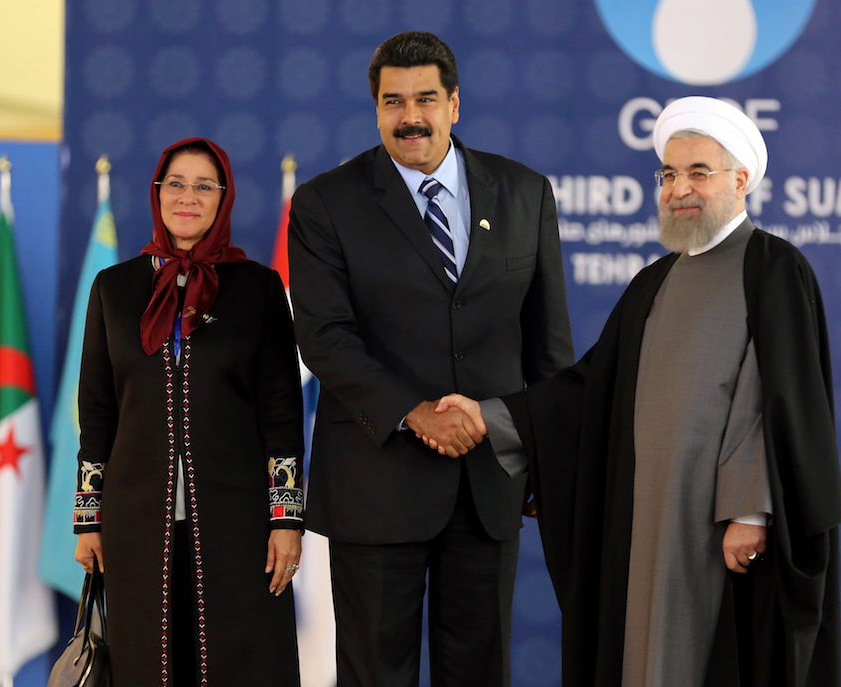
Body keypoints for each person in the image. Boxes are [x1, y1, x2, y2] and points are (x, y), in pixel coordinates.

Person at [430, 97, 841, 686]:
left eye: (699, 173)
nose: (680, 189)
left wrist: (750, 511)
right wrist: (492, 416)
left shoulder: (773, 268)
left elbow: (772, 401)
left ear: (741, 180)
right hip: (643, 516)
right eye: (669, 174)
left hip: (718, 524)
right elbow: (588, 386)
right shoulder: (654, 280)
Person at [287, 31, 574, 687]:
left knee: (479, 671)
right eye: (392, 101)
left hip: (489, 484)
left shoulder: (526, 193)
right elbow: (325, 336)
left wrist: (543, 455)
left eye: (424, 99)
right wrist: (416, 413)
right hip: (374, 482)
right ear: (377, 107)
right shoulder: (326, 202)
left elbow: (549, 347)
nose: (409, 116)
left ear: (454, 104)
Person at [73, 137, 305, 686]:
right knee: (146, 665)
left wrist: (288, 517)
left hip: (240, 525)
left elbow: (281, 412)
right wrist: (89, 519)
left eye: (205, 186)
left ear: (223, 198)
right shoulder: (115, 288)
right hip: (135, 522)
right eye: (176, 184)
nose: (188, 197)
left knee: (239, 664)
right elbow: (97, 411)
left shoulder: (259, 288)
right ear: (157, 193)